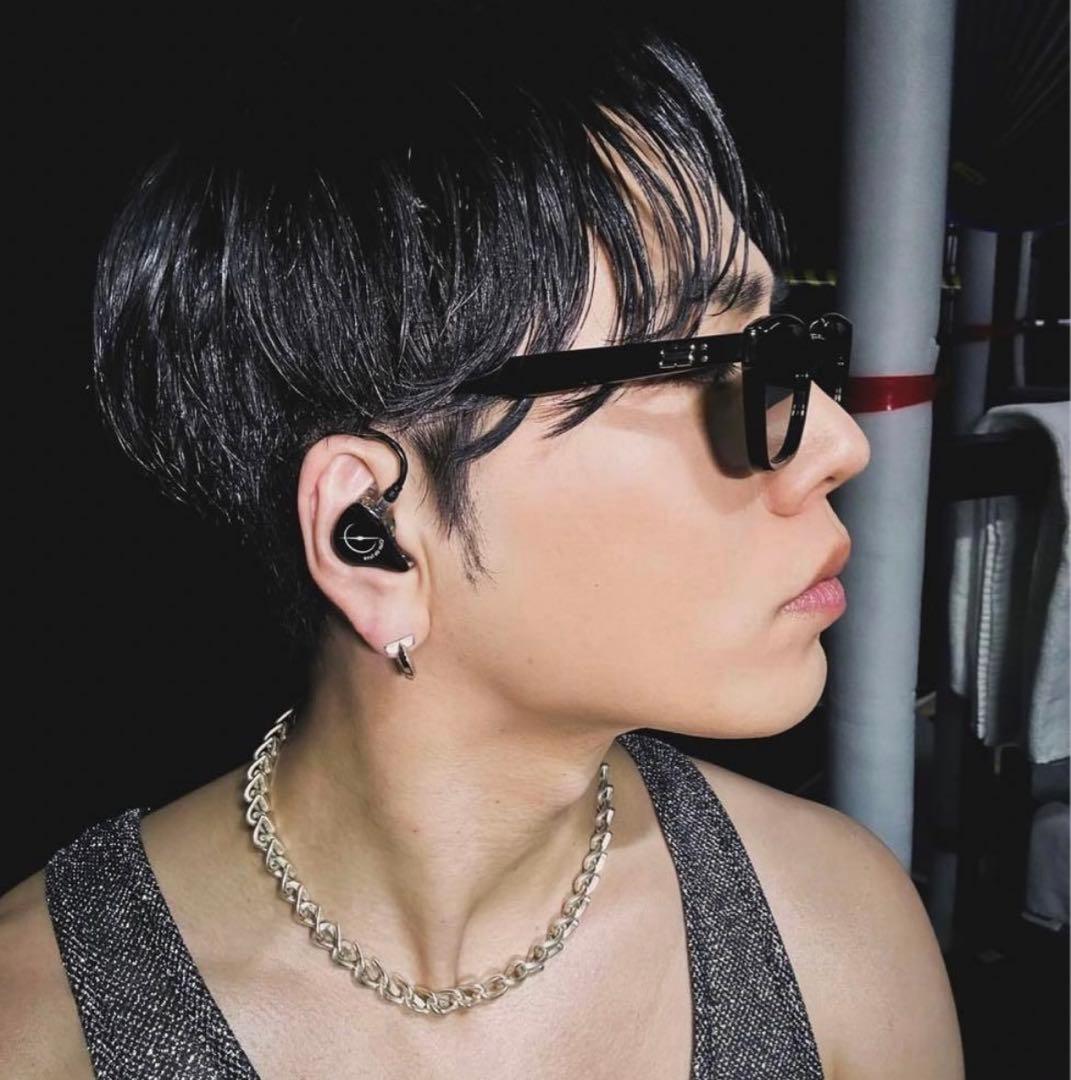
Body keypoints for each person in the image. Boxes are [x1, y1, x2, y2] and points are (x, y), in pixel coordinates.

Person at [0, 9, 964, 1078]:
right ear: (375, 538)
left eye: (775, 346)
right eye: (703, 362)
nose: (836, 442)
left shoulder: (835, 928)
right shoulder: (41, 1027)